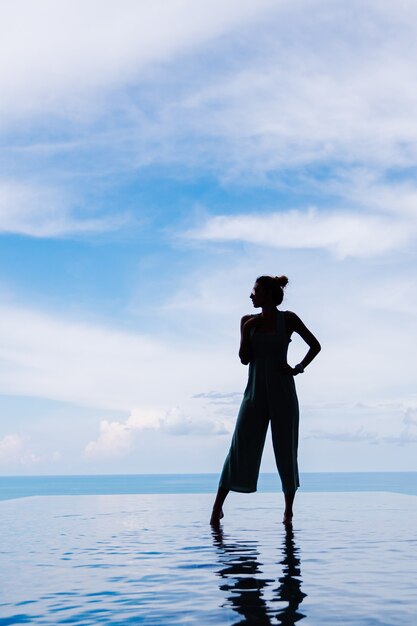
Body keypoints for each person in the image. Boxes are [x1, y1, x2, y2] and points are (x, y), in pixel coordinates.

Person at [210, 275, 321, 526]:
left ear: (268, 294)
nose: (251, 295)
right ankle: (217, 508)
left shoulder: (288, 319)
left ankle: (288, 512)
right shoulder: (247, 322)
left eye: (255, 291)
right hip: (254, 393)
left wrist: (298, 367)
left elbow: (315, 345)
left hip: (283, 391)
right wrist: (247, 331)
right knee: (239, 447)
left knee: (286, 450)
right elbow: (244, 359)